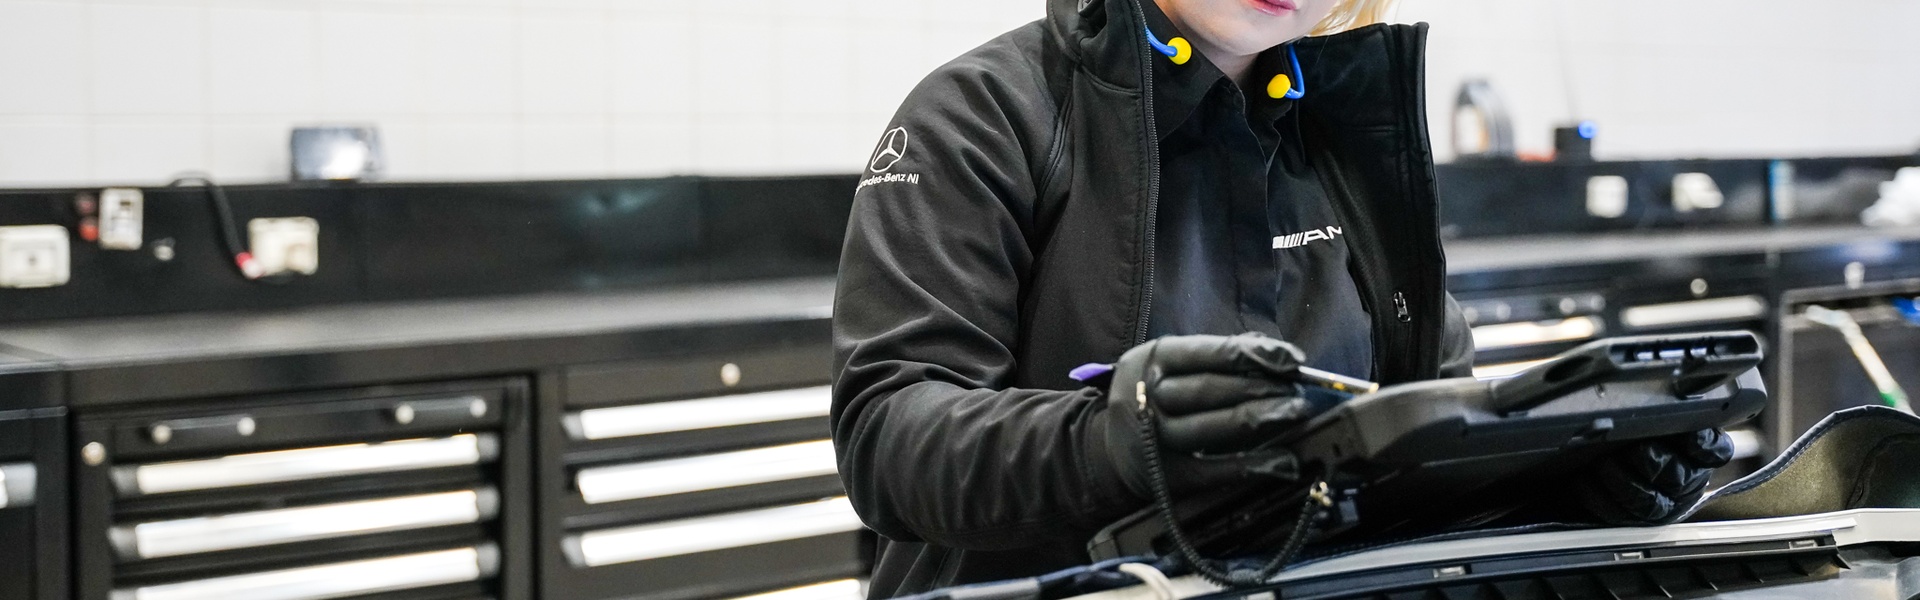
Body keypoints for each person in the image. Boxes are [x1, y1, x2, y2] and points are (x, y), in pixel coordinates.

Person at [830, 0, 1732, 596]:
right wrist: (1112, 440)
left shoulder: (1350, 144)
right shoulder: (981, 114)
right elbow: (888, 432)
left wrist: (1568, 482)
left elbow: (1416, 447)